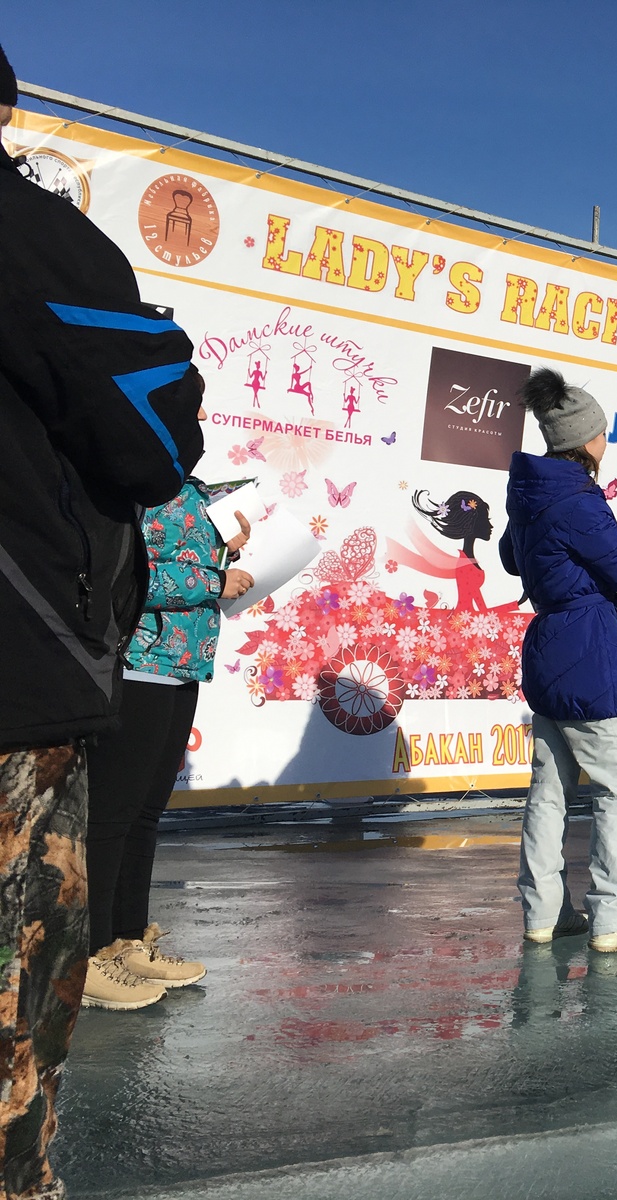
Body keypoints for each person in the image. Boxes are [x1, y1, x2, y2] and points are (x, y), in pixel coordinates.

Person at [1, 43, 206, 1198]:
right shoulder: (36, 238)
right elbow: (154, 427)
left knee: (141, 814)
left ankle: (131, 939)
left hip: (101, 663)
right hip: (19, 684)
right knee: (15, 1007)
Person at [83, 400, 254, 1011]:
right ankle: (89, 952)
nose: (200, 421)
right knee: (111, 815)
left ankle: (128, 939)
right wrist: (213, 580)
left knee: (147, 812)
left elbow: (176, 562)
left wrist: (223, 554)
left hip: (182, 666)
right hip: (140, 665)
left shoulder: (186, 488)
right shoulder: (138, 485)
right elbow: (127, 576)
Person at [502, 367, 617, 953]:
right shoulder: (577, 497)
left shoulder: (529, 489)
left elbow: (511, 556)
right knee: (615, 793)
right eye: (601, 433)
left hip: (550, 646)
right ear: (587, 440)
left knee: (548, 793)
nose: (606, 441)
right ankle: (614, 918)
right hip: (592, 651)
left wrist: (606, 539)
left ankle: (544, 914)